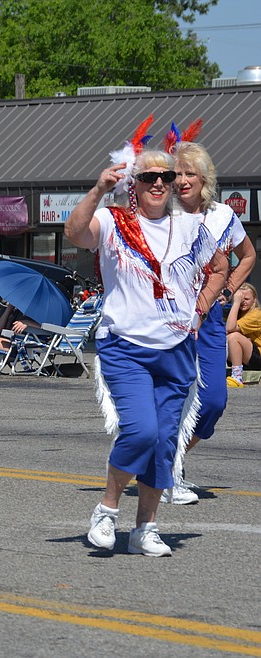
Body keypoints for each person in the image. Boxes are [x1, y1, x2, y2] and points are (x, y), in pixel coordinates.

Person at [66, 118, 226, 557]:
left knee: (165, 442)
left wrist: (202, 305)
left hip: (176, 349)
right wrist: (99, 188)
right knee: (140, 431)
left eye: (166, 176)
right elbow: (74, 233)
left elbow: (220, 266)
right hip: (126, 347)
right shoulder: (113, 221)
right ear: (133, 184)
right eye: (149, 176)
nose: (159, 182)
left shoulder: (192, 226)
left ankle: (145, 527)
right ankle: (106, 508)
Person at [165, 135, 256, 504]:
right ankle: (167, 470)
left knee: (213, 400)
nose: (183, 180)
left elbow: (247, 255)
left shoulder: (222, 216)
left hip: (212, 321)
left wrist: (228, 288)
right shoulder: (162, 214)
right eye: (178, 173)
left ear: (205, 179)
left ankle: (174, 456)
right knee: (172, 396)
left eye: (191, 173)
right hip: (170, 318)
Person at [226, 284, 261, 385]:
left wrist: (236, 303)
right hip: (249, 356)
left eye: (246, 299)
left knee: (233, 337)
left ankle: (237, 377)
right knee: (222, 338)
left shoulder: (256, 314)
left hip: (258, 356)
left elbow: (229, 328)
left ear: (254, 300)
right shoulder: (239, 313)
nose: (243, 302)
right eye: (241, 299)